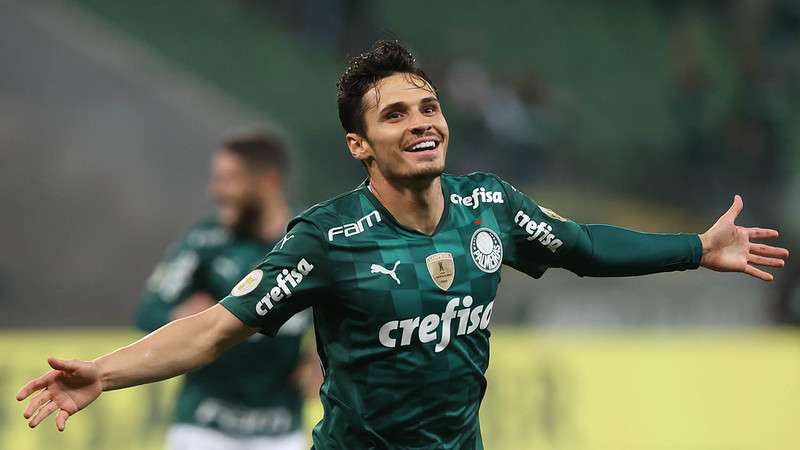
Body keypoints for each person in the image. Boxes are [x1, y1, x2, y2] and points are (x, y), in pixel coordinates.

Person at [17, 41, 789, 449]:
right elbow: (217, 328)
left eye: (429, 106)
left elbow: (583, 247)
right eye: (395, 115)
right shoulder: (327, 239)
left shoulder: (491, 206)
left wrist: (696, 246)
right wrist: (105, 374)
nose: (422, 122)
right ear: (360, 144)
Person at [138, 131, 320, 450]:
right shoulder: (205, 240)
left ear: (269, 180)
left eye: (229, 179)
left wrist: (324, 356)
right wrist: (181, 316)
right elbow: (148, 312)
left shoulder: (312, 241)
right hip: (202, 426)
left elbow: (351, 306)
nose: (216, 190)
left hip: (280, 429)